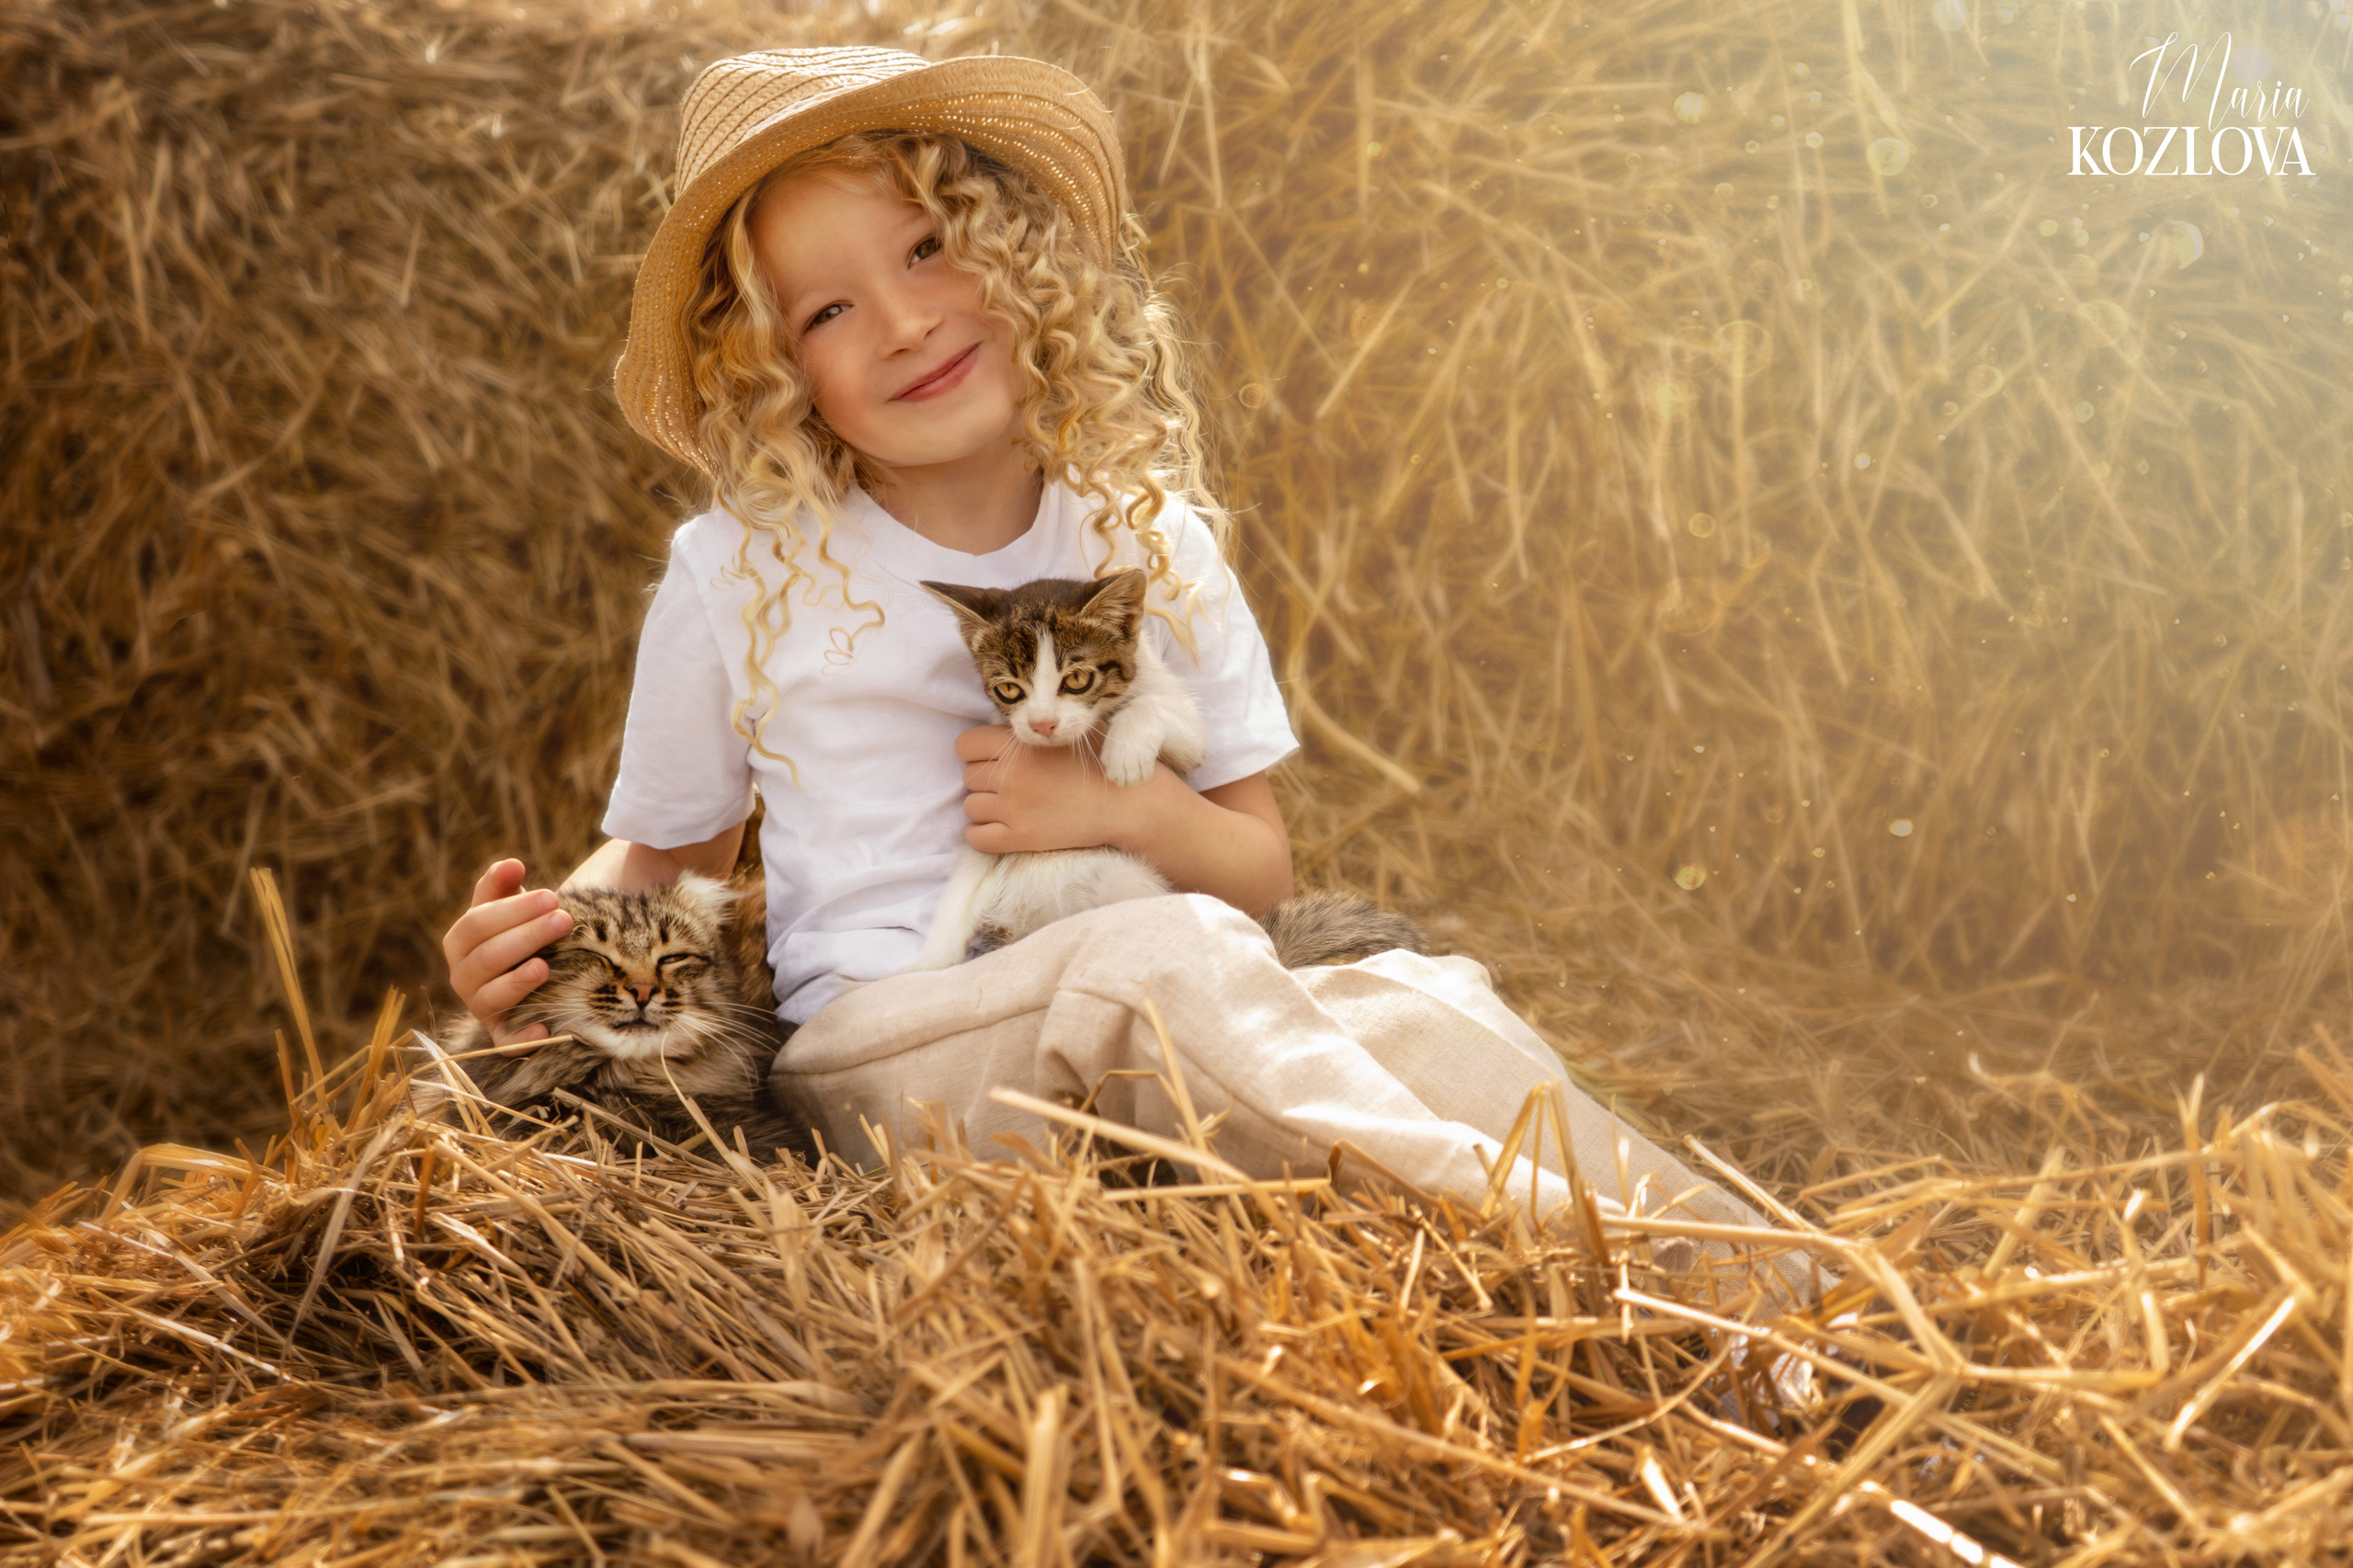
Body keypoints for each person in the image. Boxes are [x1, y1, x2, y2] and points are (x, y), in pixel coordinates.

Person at [440, 46, 1815, 1301]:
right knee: (1151, 962)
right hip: (886, 1051)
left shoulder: (1145, 540)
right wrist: (526, 952)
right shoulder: (742, 568)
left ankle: (1789, 1288)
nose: (906, 324)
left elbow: (1259, 871)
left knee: (1414, 993)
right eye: (828, 311)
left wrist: (1121, 816)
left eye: (929, 248)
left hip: (1160, 978)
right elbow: (658, 854)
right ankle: (1617, 1282)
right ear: (774, 372)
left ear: (1018, 255)